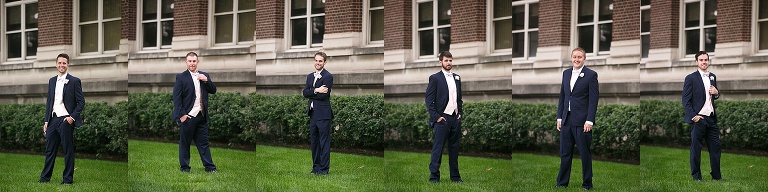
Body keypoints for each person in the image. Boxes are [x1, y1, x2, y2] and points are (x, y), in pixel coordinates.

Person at [555, 47, 599, 190]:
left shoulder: (591, 75)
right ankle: (561, 183)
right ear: (571, 58)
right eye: (574, 57)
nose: (576, 59)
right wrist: (559, 117)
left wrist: (590, 120)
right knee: (565, 153)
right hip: (566, 120)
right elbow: (562, 97)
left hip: (582, 122)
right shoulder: (566, 73)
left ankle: (587, 184)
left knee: (584, 154)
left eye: (579, 57)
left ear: (584, 59)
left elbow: (593, 100)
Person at [39, 53, 85, 185]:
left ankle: (67, 180)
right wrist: (46, 121)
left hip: (66, 120)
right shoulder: (52, 81)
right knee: (49, 150)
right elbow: (50, 102)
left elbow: (81, 102)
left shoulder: (74, 81)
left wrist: (72, 117)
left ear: (68, 64)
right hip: (53, 120)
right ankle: (44, 178)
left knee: (67, 150)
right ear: (56, 64)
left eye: (64, 63)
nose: (61, 65)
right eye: (59, 63)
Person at [171, 52, 218, 173]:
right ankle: (185, 168)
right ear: (186, 62)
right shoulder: (181, 77)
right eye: (190, 61)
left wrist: (206, 80)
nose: (192, 63)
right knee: (185, 144)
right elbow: (177, 98)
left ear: (198, 62)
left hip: (201, 116)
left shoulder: (204, 75)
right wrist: (182, 115)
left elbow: (213, 90)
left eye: (194, 61)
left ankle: (210, 168)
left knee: (204, 144)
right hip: (188, 117)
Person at [682, 51, 722, 182]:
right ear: (696, 62)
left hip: (711, 119)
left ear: (708, 61)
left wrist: (717, 93)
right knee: (696, 149)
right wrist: (693, 116)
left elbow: (713, 96)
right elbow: (686, 100)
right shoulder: (691, 78)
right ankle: (697, 177)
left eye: (706, 60)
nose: (704, 62)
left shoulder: (712, 76)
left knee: (716, 148)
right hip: (699, 119)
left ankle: (716, 177)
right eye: (701, 60)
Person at [425, 51, 463, 183]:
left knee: (454, 149)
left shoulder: (457, 77)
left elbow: (459, 99)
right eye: (446, 60)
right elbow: (429, 100)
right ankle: (434, 177)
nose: (449, 63)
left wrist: (460, 114)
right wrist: (436, 117)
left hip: (455, 118)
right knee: (438, 149)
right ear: (440, 62)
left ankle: (455, 177)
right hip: (442, 119)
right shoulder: (435, 78)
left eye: (450, 60)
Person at [302, 51, 334, 175]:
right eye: (316, 60)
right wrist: (316, 90)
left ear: (324, 62)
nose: (318, 63)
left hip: (324, 115)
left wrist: (312, 92)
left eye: (320, 61)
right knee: (315, 142)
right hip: (313, 114)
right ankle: (315, 168)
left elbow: (323, 96)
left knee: (324, 142)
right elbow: (305, 93)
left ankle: (323, 169)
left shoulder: (328, 76)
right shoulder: (310, 76)